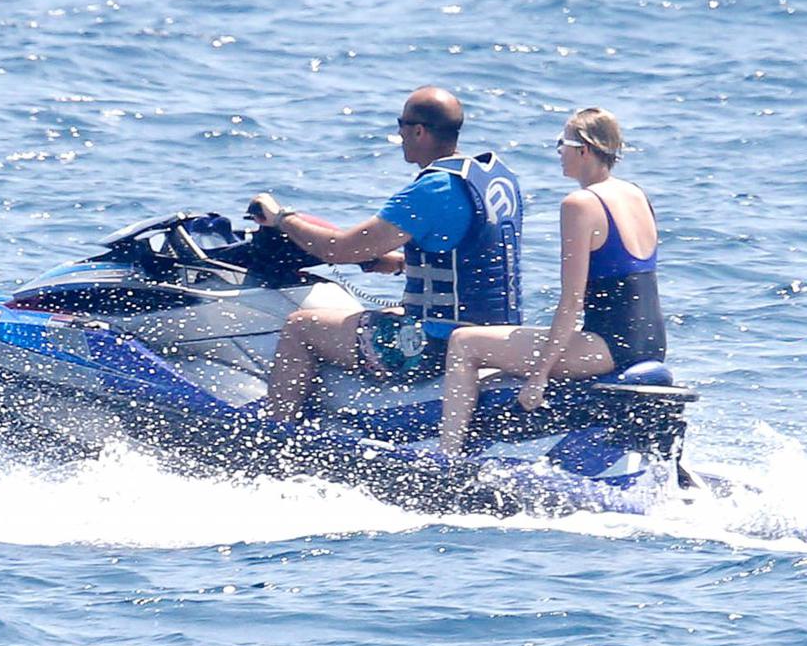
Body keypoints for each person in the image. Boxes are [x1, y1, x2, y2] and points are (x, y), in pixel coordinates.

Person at [249, 86, 523, 424]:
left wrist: (280, 218)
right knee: (383, 313)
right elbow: (472, 256)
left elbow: (339, 248)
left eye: (401, 125)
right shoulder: (492, 180)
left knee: (300, 327)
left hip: (434, 346)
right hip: (492, 339)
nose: (399, 135)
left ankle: (276, 433)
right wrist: (396, 264)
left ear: (418, 131)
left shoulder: (434, 189)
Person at [438, 107, 666, 456]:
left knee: (464, 344)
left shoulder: (580, 204)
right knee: (499, 362)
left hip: (606, 346)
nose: (559, 152)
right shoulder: (635, 194)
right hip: (651, 341)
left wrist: (539, 376)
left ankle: (447, 457)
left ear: (583, 150)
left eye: (563, 144)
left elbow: (571, 301)